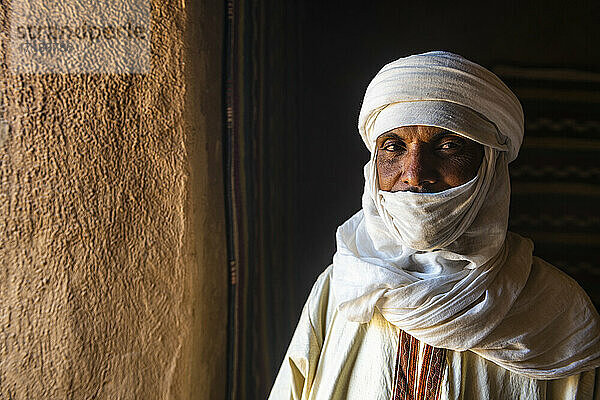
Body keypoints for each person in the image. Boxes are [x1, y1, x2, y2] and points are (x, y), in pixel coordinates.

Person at [268, 51, 600, 400]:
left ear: (489, 168)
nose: (414, 174)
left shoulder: (558, 311)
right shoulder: (342, 288)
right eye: (394, 147)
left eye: (448, 146)